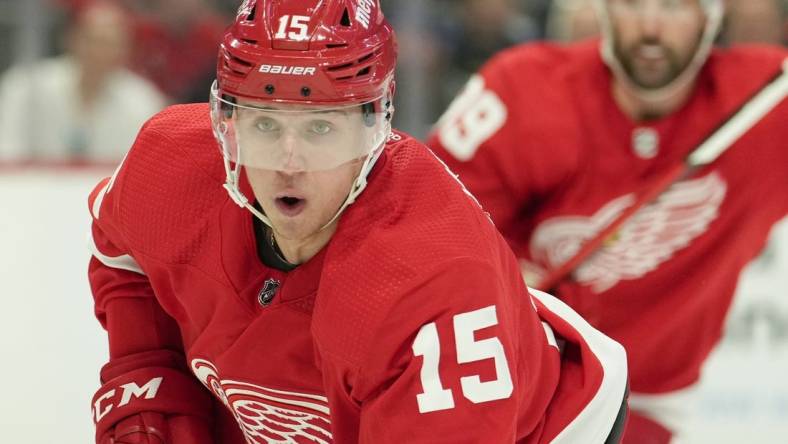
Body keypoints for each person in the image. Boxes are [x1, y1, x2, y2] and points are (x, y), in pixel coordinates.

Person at [86, 1, 628, 442]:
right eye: (265, 124)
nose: (288, 162)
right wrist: (145, 377)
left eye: (321, 128)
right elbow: (121, 252)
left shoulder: (430, 284)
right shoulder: (170, 166)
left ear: (374, 129)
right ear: (226, 121)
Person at [427, 0, 787, 442]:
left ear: (712, 17)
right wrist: (495, 271)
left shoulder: (769, 104)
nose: (650, 27)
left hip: (647, 401)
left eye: (675, 7)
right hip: (514, 378)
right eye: (632, 3)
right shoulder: (521, 90)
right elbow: (421, 219)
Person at [0, 0, 165, 163]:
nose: (99, 52)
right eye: (93, 41)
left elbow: (140, 166)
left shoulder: (142, 101)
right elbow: (7, 153)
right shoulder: (24, 87)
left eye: (110, 43)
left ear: (126, 49)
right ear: (72, 39)